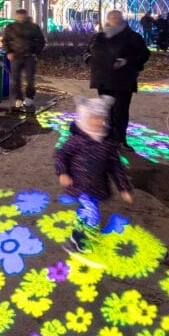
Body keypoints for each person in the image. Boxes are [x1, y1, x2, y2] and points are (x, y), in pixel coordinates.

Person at [55, 95, 134, 252]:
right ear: (85, 118)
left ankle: (77, 233)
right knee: (93, 214)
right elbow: (61, 155)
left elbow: (116, 166)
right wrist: (63, 172)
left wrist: (124, 188)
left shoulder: (108, 142)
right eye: (94, 118)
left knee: (87, 211)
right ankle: (83, 242)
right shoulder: (77, 139)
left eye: (101, 118)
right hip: (79, 184)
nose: (98, 122)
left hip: (98, 186)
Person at [84, 10, 150, 148]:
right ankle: (108, 139)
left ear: (122, 18)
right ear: (107, 19)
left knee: (120, 110)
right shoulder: (98, 36)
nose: (115, 18)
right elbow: (87, 52)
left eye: (117, 16)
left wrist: (126, 61)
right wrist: (90, 60)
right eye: (112, 16)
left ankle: (120, 139)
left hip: (123, 79)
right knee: (106, 110)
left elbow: (143, 54)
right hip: (103, 78)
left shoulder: (133, 37)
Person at [1, 8, 46, 109]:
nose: (20, 17)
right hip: (16, 57)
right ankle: (19, 98)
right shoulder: (10, 27)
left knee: (30, 79)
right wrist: (9, 52)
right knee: (16, 79)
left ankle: (29, 97)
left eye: (22, 16)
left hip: (29, 57)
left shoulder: (33, 27)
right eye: (19, 16)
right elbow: (5, 41)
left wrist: (35, 52)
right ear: (16, 16)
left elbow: (41, 41)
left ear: (25, 15)